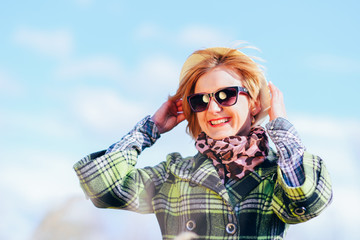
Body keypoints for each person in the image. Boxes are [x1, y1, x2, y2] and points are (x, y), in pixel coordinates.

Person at [73, 47, 333, 240]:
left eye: (226, 95)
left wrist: (282, 128)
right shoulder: (173, 175)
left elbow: (308, 201)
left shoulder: (276, 174)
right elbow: (99, 185)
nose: (213, 108)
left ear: (253, 103)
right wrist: (149, 130)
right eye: (201, 101)